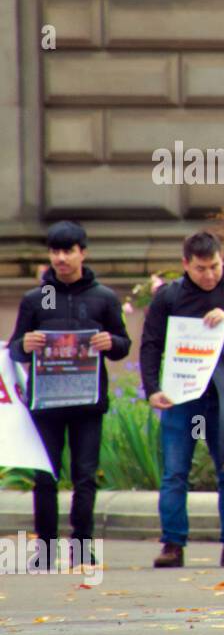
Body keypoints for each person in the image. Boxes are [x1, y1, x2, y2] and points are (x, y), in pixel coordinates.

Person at [141, 231, 224, 568]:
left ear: (223, 259)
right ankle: (172, 543)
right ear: (185, 264)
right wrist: (151, 388)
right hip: (181, 396)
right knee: (175, 473)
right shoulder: (168, 296)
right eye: (201, 268)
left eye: (215, 266)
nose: (210, 274)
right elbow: (151, 344)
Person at [7, 221, 131, 569]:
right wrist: (25, 344)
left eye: (68, 251)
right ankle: (45, 551)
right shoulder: (36, 298)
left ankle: (82, 547)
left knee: (85, 476)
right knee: (45, 476)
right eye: (55, 251)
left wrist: (112, 342)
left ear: (82, 253)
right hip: (46, 402)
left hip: (87, 402)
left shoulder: (103, 298)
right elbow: (16, 348)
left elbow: (122, 345)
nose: (61, 258)